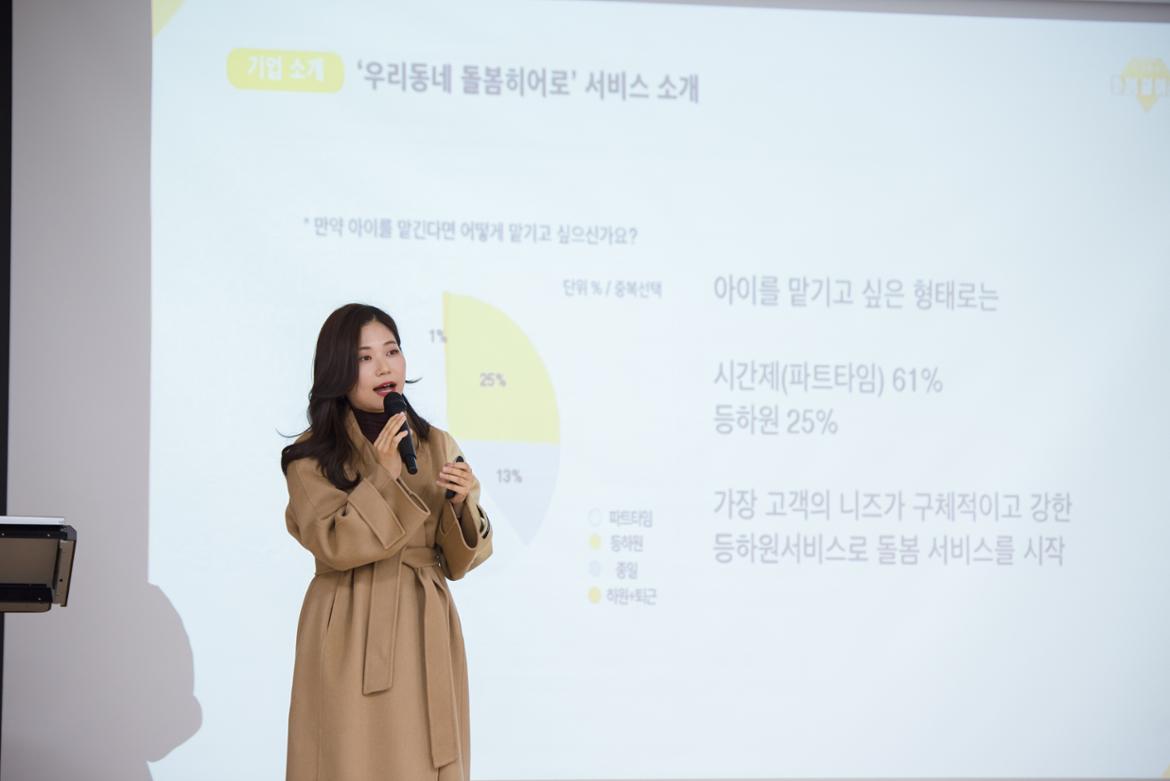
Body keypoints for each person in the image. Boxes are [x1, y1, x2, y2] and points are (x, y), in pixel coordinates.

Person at [280, 303, 493, 781]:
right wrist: (381, 477)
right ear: (338, 369)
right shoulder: (309, 457)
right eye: (365, 357)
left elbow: (459, 562)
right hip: (348, 622)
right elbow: (332, 545)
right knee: (346, 757)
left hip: (424, 623)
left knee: (422, 758)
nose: (384, 367)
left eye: (392, 351)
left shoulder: (436, 442)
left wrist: (462, 505)